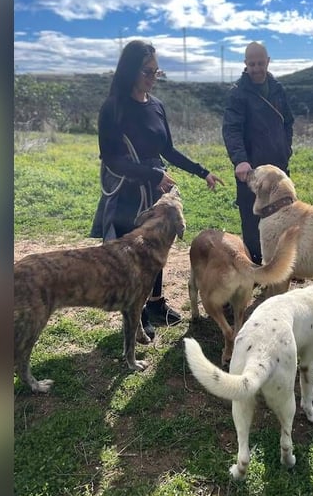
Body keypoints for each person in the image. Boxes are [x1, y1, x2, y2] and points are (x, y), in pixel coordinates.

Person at [90, 40, 224, 339]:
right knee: (134, 257)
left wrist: (202, 172)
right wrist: (152, 174)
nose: (153, 77)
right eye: (147, 71)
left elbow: (168, 149)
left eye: (156, 72)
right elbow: (111, 158)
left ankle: (155, 303)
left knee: (157, 249)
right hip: (128, 191)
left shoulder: (156, 105)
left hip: (156, 189)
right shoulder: (113, 107)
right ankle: (133, 314)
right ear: (131, 70)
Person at [222, 41, 294, 265]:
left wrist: (286, 148)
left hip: (279, 167)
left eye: (260, 63)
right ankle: (255, 267)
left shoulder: (277, 88)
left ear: (268, 61)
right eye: (252, 63)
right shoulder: (238, 93)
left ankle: (283, 264)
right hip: (251, 171)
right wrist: (240, 160)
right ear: (245, 64)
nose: (256, 68)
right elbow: (231, 128)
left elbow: (288, 122)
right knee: (252, 219)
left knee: (284, 214)